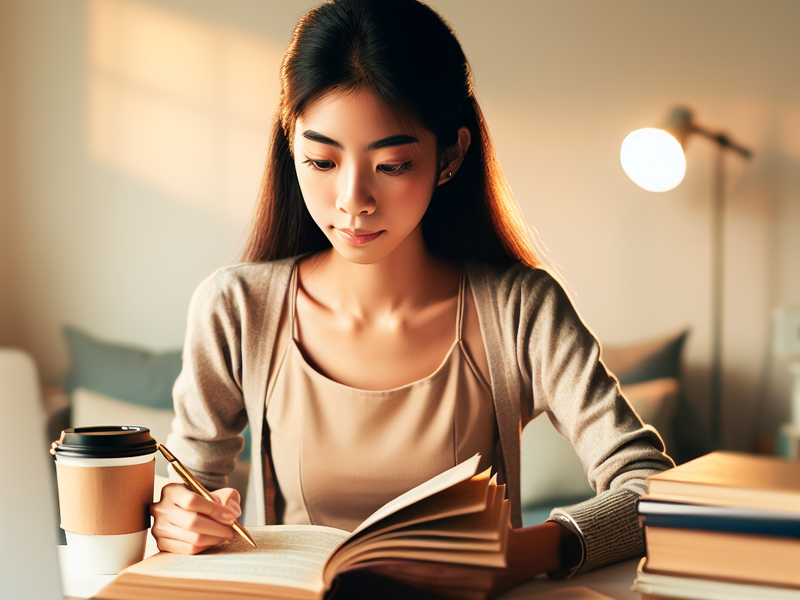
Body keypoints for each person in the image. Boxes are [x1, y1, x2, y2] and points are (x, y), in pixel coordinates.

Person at [151, 0, 674, 594]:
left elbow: (649, 485)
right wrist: (176, 519)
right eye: (321, 160)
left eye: (393, 164)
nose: (353, 200)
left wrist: (527, 551)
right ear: (288, 144)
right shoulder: (237, 308)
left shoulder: (520, 310)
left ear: (449, 155)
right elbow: (185, 494)